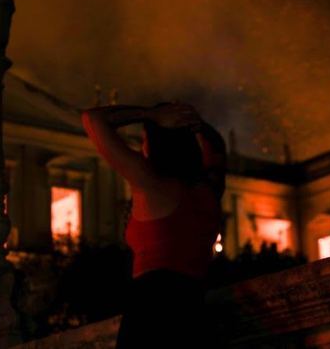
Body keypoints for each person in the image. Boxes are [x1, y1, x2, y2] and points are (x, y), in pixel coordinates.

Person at [82, 103, 226, 349]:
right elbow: (218, 149)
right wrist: (195, 124)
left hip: (151, 309)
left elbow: (92, 118)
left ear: (158, 143)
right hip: (194, 309)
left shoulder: (151, 184)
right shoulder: (211, 190)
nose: (141, 147)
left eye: (144, 139)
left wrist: (149, 114)